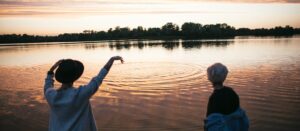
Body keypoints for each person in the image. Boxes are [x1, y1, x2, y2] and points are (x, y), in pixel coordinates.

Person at [44, 56, 124, 131]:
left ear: (60, 76)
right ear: (75, 76)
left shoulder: (51, 95)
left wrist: (52, 70)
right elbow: (99, 77)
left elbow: (48, 84)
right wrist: (112, 59)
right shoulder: (81, 93)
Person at [204, 63, 249, 131]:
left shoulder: (214, 98)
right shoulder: (231, 92)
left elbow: (211, 121)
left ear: (210, 78)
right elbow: (240, 116)